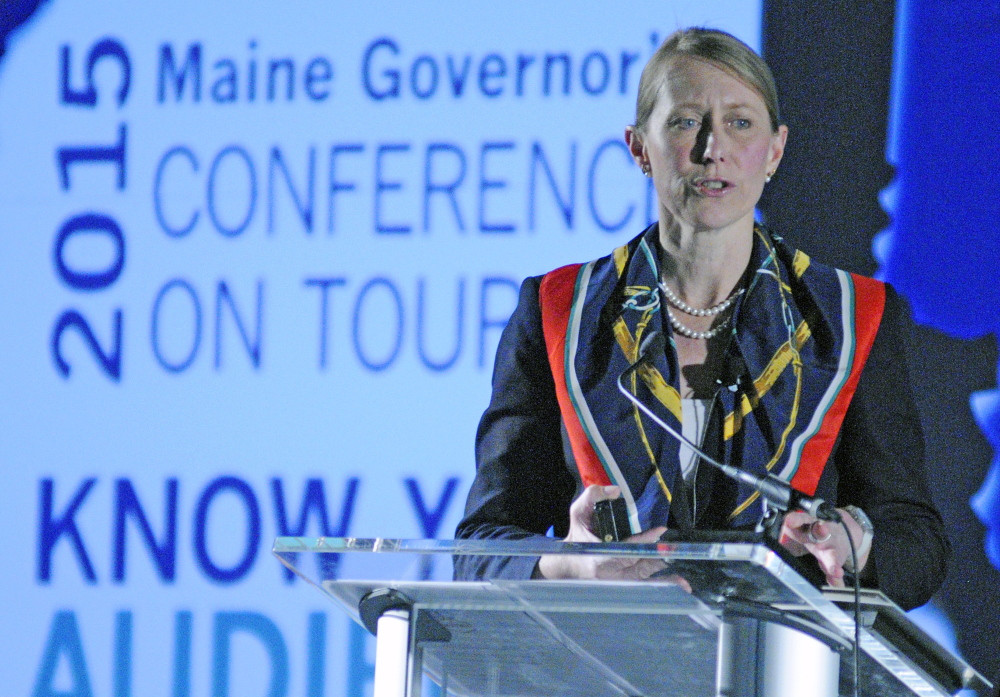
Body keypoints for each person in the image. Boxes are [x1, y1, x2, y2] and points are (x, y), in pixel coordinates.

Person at [454, 27, 948, 611]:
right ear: (639, 147)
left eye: (740, 123)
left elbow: (917, 543)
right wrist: (567, 563)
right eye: (686, 122)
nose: (713, 148)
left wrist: (855, 541)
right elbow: (479, 548)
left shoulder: (848, 317)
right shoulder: (559, 311)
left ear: (775, 150)